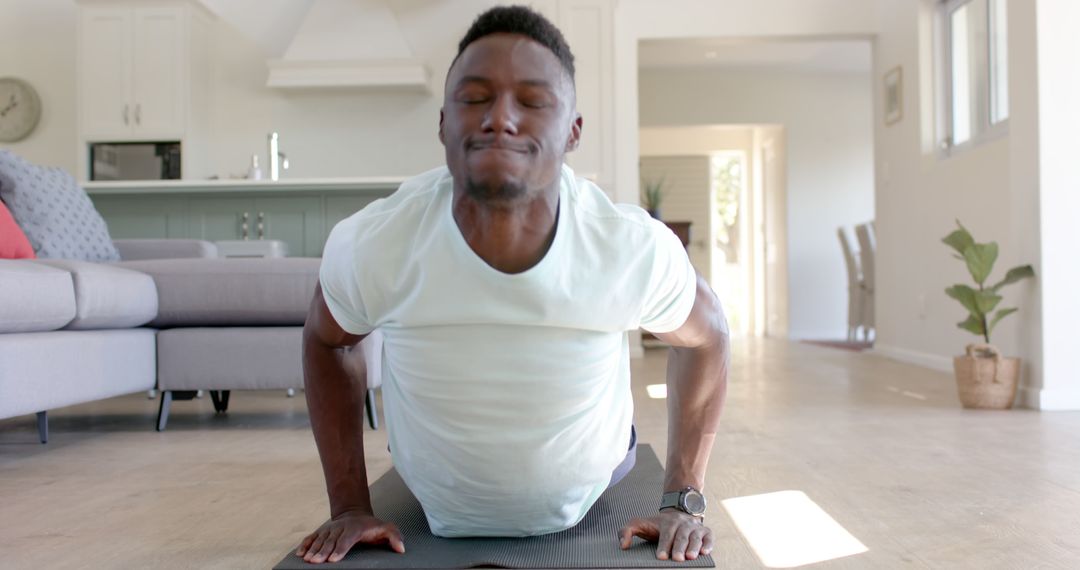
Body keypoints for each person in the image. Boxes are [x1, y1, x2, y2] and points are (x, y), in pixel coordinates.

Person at [297, 5, 729, 565]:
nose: (500, 117)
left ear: (573, 131)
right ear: (444, 124)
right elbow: (326, 337)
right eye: (475, 97)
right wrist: (349, 504)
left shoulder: (627, 245)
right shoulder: (378, 239)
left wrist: (684, 499)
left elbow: (708, 334)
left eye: (532, 101)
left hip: (594, 487)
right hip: (433, 504)